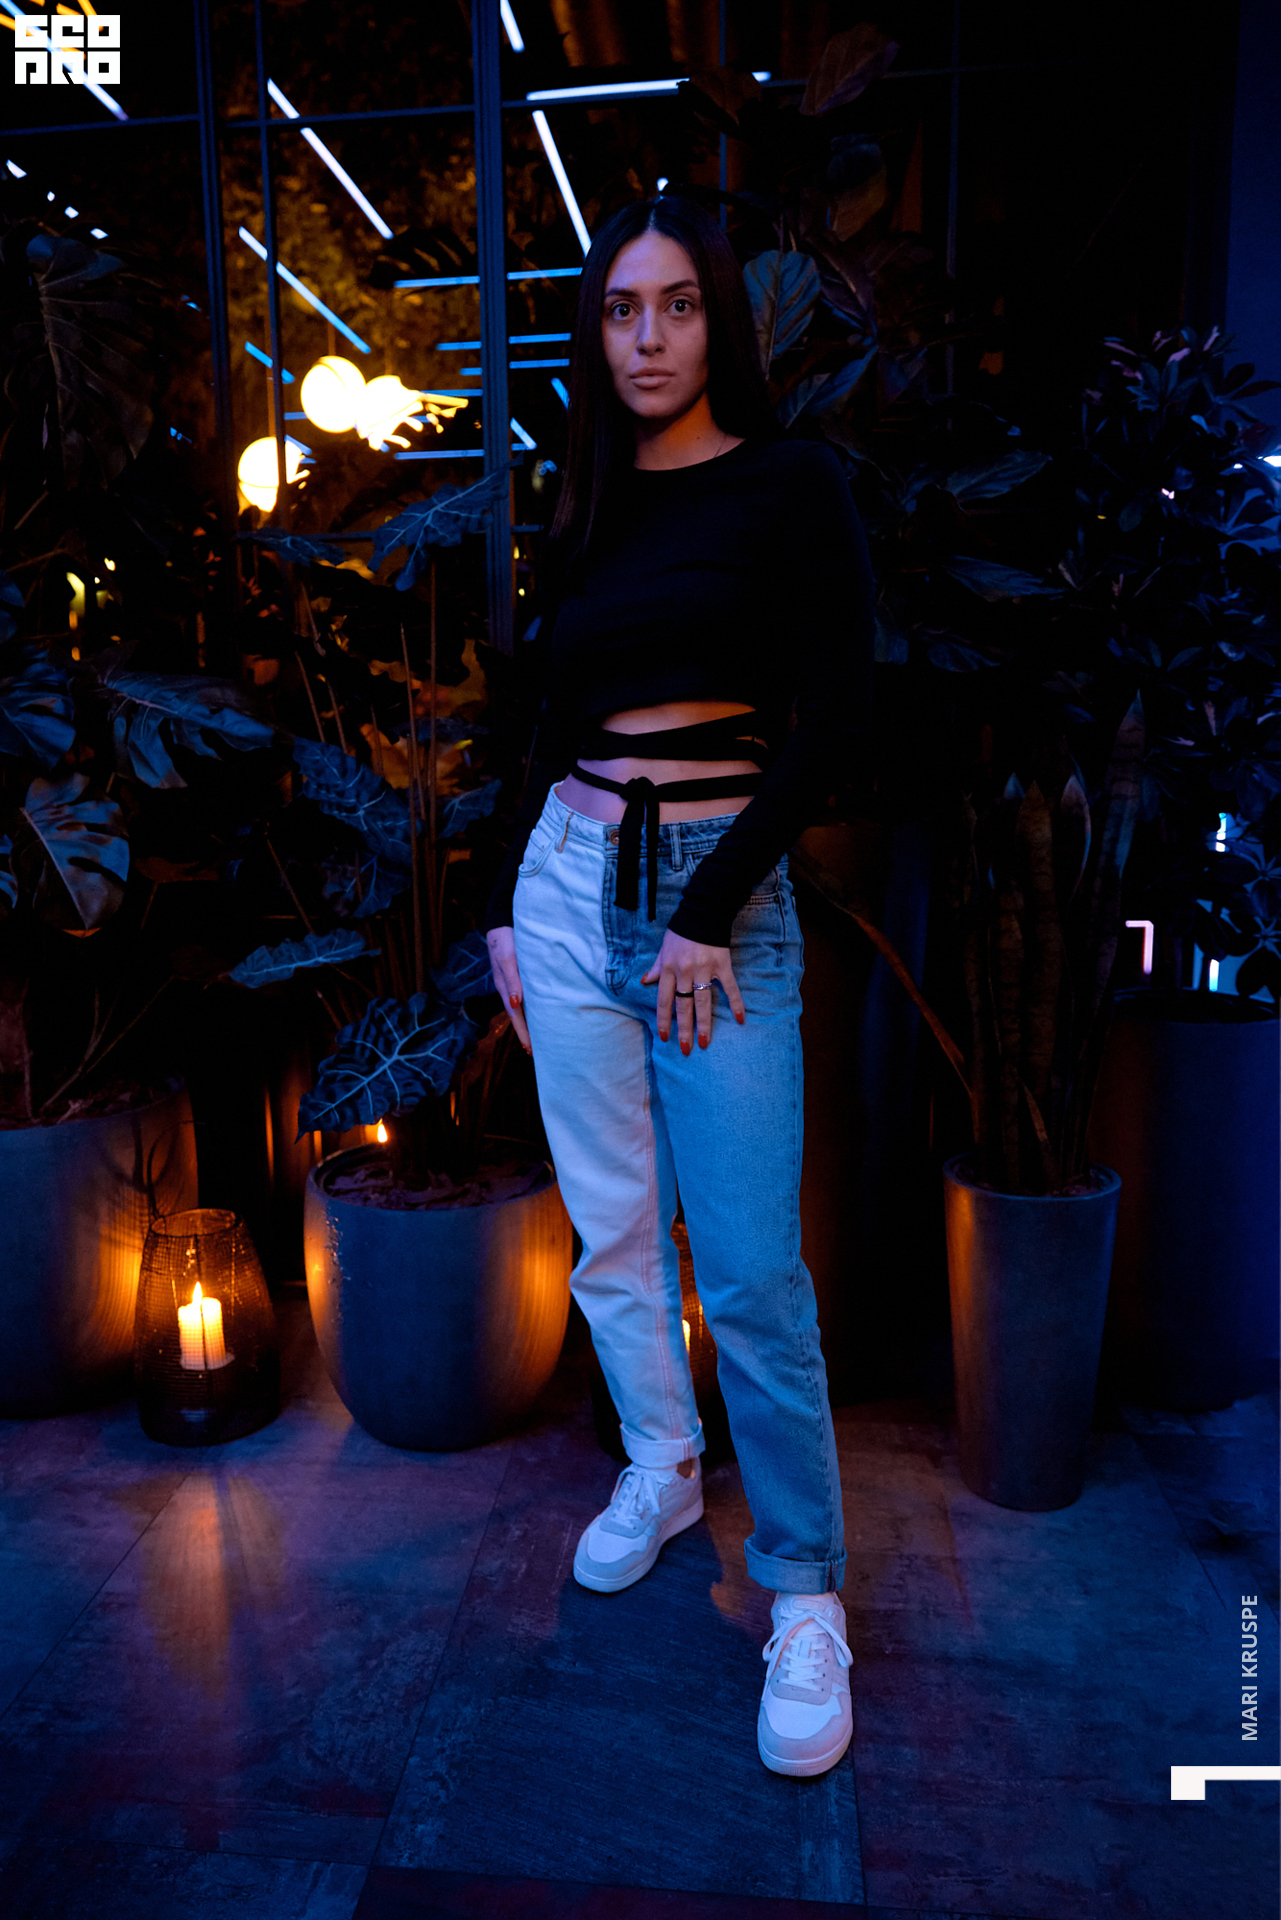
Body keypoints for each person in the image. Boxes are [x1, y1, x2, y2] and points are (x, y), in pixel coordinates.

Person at [484, 194, 875, 1779]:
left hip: (716, 901)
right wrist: (507, 912)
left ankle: (804, 1592)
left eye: (676, 306)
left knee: (755, 1270)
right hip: (564, 885)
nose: (645, 338)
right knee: (615, 1230)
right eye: (618, 310)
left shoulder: (790, 484)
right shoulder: (583, 496)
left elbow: (836, 712)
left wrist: (707, 910)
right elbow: (539, 716)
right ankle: (660, 1463)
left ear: (718, 321)